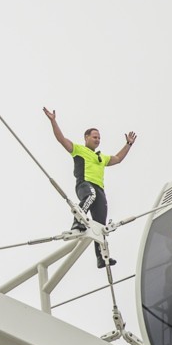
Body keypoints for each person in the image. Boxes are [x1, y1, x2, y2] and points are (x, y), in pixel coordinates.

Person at [43, 108, 136, 268]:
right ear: (86, 138)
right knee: (90, 195)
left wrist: (128, 144)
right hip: (85, 185)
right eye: (94, 137)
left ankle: (101, 258)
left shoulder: (101, 157)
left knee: (100, 226)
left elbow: (118, 158)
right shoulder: (79, 150)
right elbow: (61, 139)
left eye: (99, 138)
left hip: (100, 190)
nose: (97, 140)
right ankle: (77, 222)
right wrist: (53, 121)